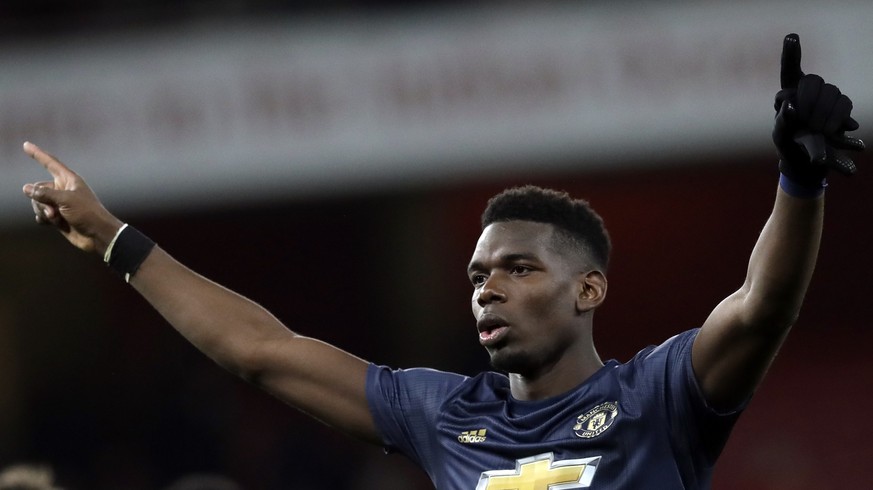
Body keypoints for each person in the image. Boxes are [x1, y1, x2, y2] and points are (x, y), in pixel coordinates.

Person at [19, 33, 864, 489]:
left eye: (517, 269)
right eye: (474, 276)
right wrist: (115, 242)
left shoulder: (659, 396)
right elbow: (261, 352)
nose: (487, 288)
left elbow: (760, 307)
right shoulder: (437, 414)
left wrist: (797, 177)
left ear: (588, 288)